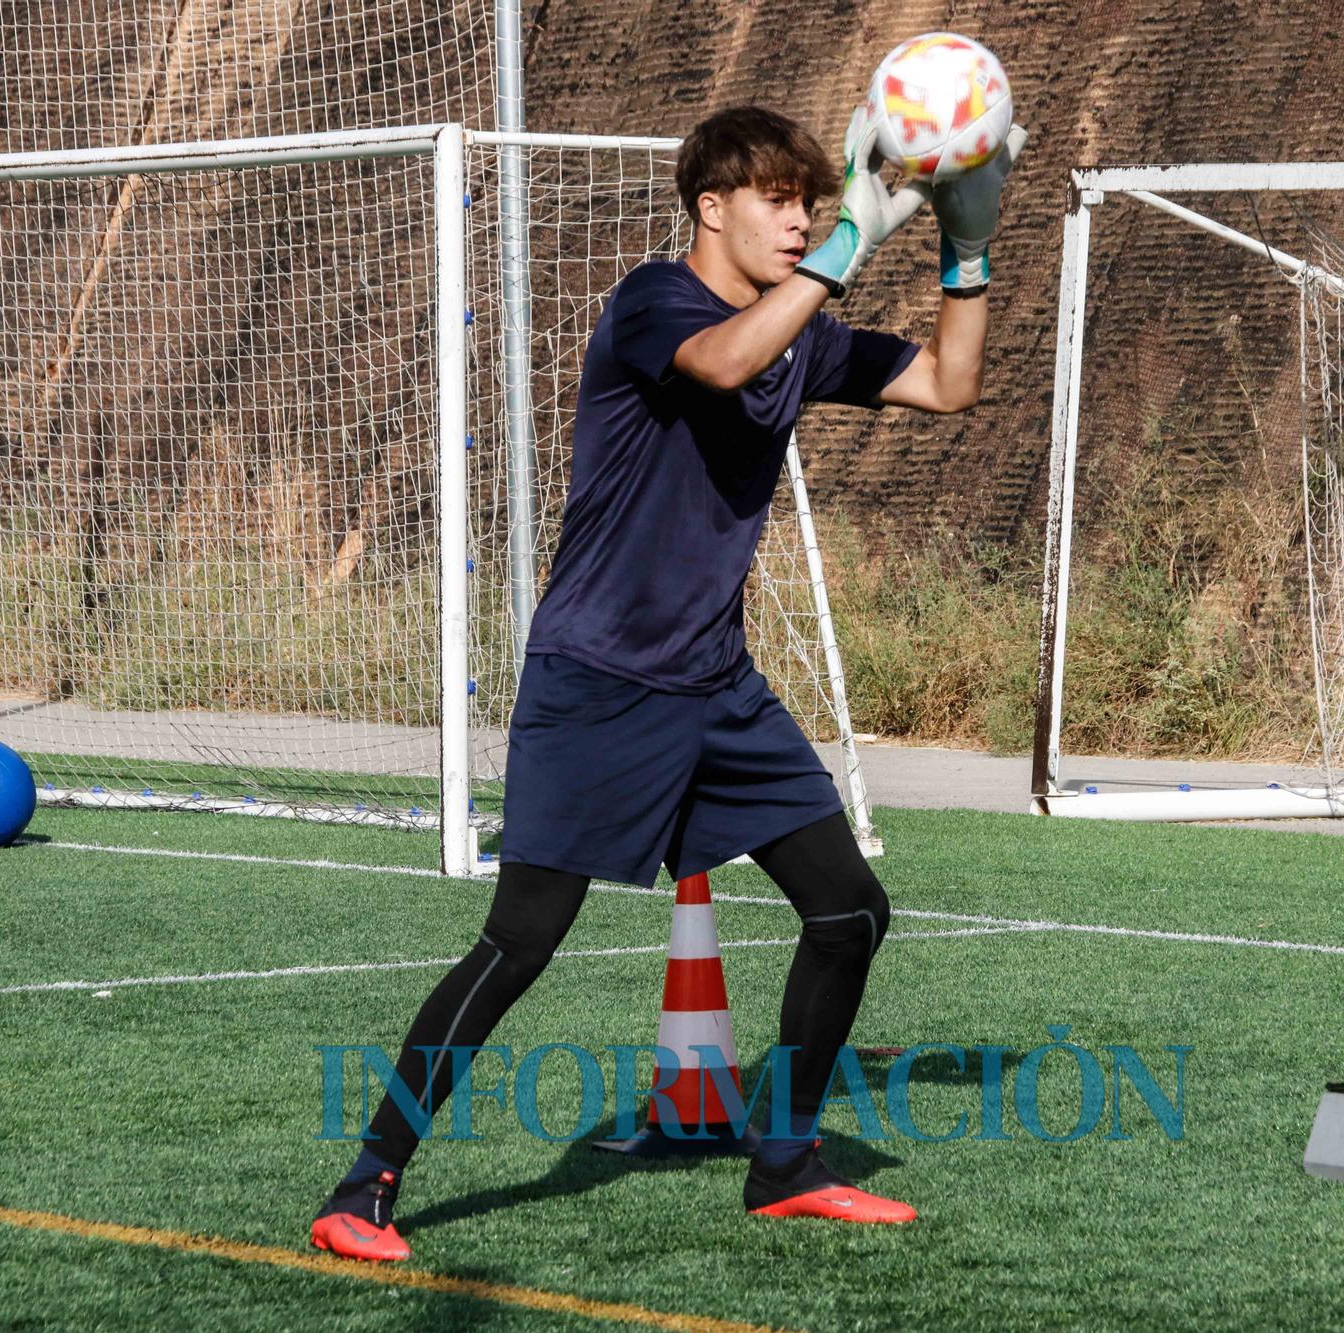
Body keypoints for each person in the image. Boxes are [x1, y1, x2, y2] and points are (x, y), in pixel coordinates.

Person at [311, 103, 1025, 1262]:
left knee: (849, 910)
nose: (799, 222)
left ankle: (784, 1163)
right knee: (521, 941)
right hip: (598, 678)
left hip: (715, 687)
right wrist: (851, 243)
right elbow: (726, 359)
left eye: (810, 202)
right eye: (776, 203)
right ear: (710, 207)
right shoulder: (656, 300)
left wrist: (965, 252)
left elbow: (948, 385)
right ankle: (364, 1184)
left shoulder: (799, 323)